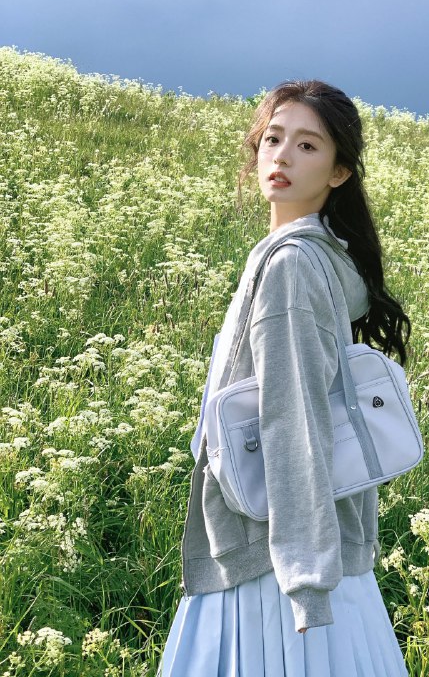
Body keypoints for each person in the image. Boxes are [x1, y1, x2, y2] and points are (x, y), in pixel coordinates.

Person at [158, 80, 411, 676]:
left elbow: (294, 421)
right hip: (302, 543)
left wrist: (305, 578)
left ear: (339, 172)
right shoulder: (312, 254)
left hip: (272, 560)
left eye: (308, 145)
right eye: (273, 139)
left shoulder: (291, 266)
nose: (283, 156)